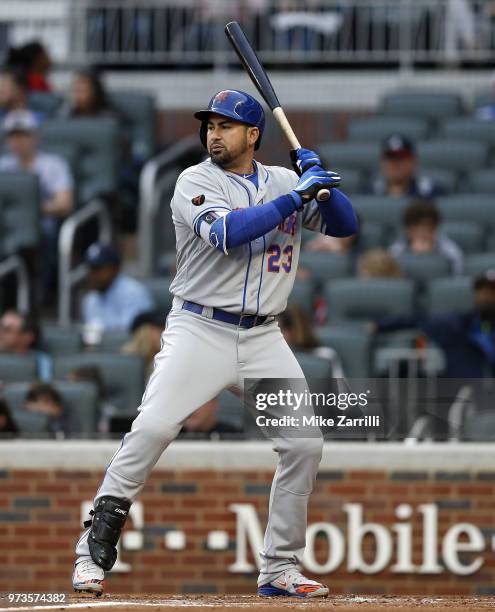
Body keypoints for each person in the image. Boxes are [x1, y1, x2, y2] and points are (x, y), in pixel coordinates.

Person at [72, 89, 356, 598]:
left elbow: (346, 225)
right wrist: (298, 195)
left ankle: (280, 568)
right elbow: (229, 233)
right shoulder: (194, 179)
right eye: (210, 125)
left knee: (304, 444)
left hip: (264, 334)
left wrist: (323, 181)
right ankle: (91, 549)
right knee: (154, 427)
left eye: (226, 126)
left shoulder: (286, 179)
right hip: (200, 329)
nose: (213, 134)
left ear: (253, 135)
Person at [0, 110, 74, 295]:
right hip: (5, 224)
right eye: (14, 136)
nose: (19, 141)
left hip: (40, 222)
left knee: (46, 233)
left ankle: (42, 292)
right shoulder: (2, 165)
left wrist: (32, 210)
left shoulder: (53, 164)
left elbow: (65, 203)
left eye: (24, 135)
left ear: (35, 136)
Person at [375, 270, 495, 379]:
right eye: (481, 291)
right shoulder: (456, 326)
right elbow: (418, 320)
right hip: (468, 395)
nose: (485, 296)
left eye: (491, 291)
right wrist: (380, 325)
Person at [81, 243, 155, 332]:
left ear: (115, 269)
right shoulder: (91, 299)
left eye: (98, 269)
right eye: (90, 269)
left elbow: (134, 334)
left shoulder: (134, 293)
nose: (92, 275)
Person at [389, 199, 464, 275]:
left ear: (435, 228)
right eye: (416, 226)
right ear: (407, 230)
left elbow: (456, 276)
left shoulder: (451, 252)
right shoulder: (396, 252)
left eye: (427, 226)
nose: (421, 232)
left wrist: (430, 256)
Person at [371, 134, 447, 199]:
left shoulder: (432, 192)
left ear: (414, 161)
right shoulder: (369, 192)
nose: (396, 163)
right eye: (391, 157)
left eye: (402, 157)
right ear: (382, 162)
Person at [0, 310, 50, 381]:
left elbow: (44, 388)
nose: (0, 332)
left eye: (6, 329)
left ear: (27, 337)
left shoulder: (41, 362)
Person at [122, 311, 166, 381]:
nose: (166, 333)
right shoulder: (124, 362)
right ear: (145, 332)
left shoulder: (165, 361)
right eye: (161, 329)